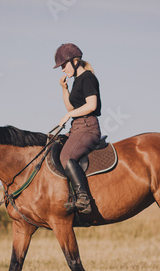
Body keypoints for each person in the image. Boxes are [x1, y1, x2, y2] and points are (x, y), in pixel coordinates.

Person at [53, 43, 101, 215]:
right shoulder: (76, 81)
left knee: (66, 156)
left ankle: (83, 199)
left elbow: (92, 105)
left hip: (88, 128)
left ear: (74, 61)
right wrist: (64, 90)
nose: (62, 70)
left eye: (63, 65)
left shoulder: (87, 78)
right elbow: (71, 108)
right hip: (78, 128)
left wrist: (68, 117)